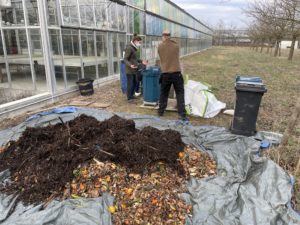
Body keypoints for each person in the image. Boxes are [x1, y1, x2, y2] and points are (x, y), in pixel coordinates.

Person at [157, 30, 188, 121]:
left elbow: (161, 52)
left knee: (164, 93)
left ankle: (161, 111)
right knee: (179, 93)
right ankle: (182, 114)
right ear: (170, 36)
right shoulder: (176, 46)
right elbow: (176, 46)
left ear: (163, 36)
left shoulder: (160, 46)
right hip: (176, 74)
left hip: (165, 74)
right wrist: (171, 40)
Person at [123, 34, 146, 102]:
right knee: (130, 84)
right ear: (135, 41)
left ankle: (132, 95)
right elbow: (125, 59)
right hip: (130, 70)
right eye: (139, 42)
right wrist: (130, 65)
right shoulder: (129, 48)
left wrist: (142, 61)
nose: (140, 44)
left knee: (135, 83)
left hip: (134, 69)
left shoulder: (134, 48)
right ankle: (129, 98)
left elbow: (135, 59)